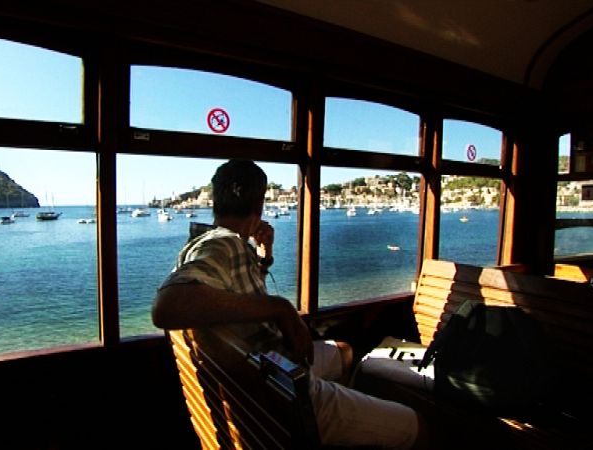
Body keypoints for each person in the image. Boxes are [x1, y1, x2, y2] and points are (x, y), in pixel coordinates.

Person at [152, 159, 423, 449]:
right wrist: (280, 308)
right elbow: (167, 305)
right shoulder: (224, 244)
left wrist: (263, 256)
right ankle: (333, 420)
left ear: (216, 201)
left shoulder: (207, 241)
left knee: (344, 352)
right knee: (414, 424)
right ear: (259, 202)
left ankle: (346, 425)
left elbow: (238, 294)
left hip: (262, 374)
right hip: (280, 390)